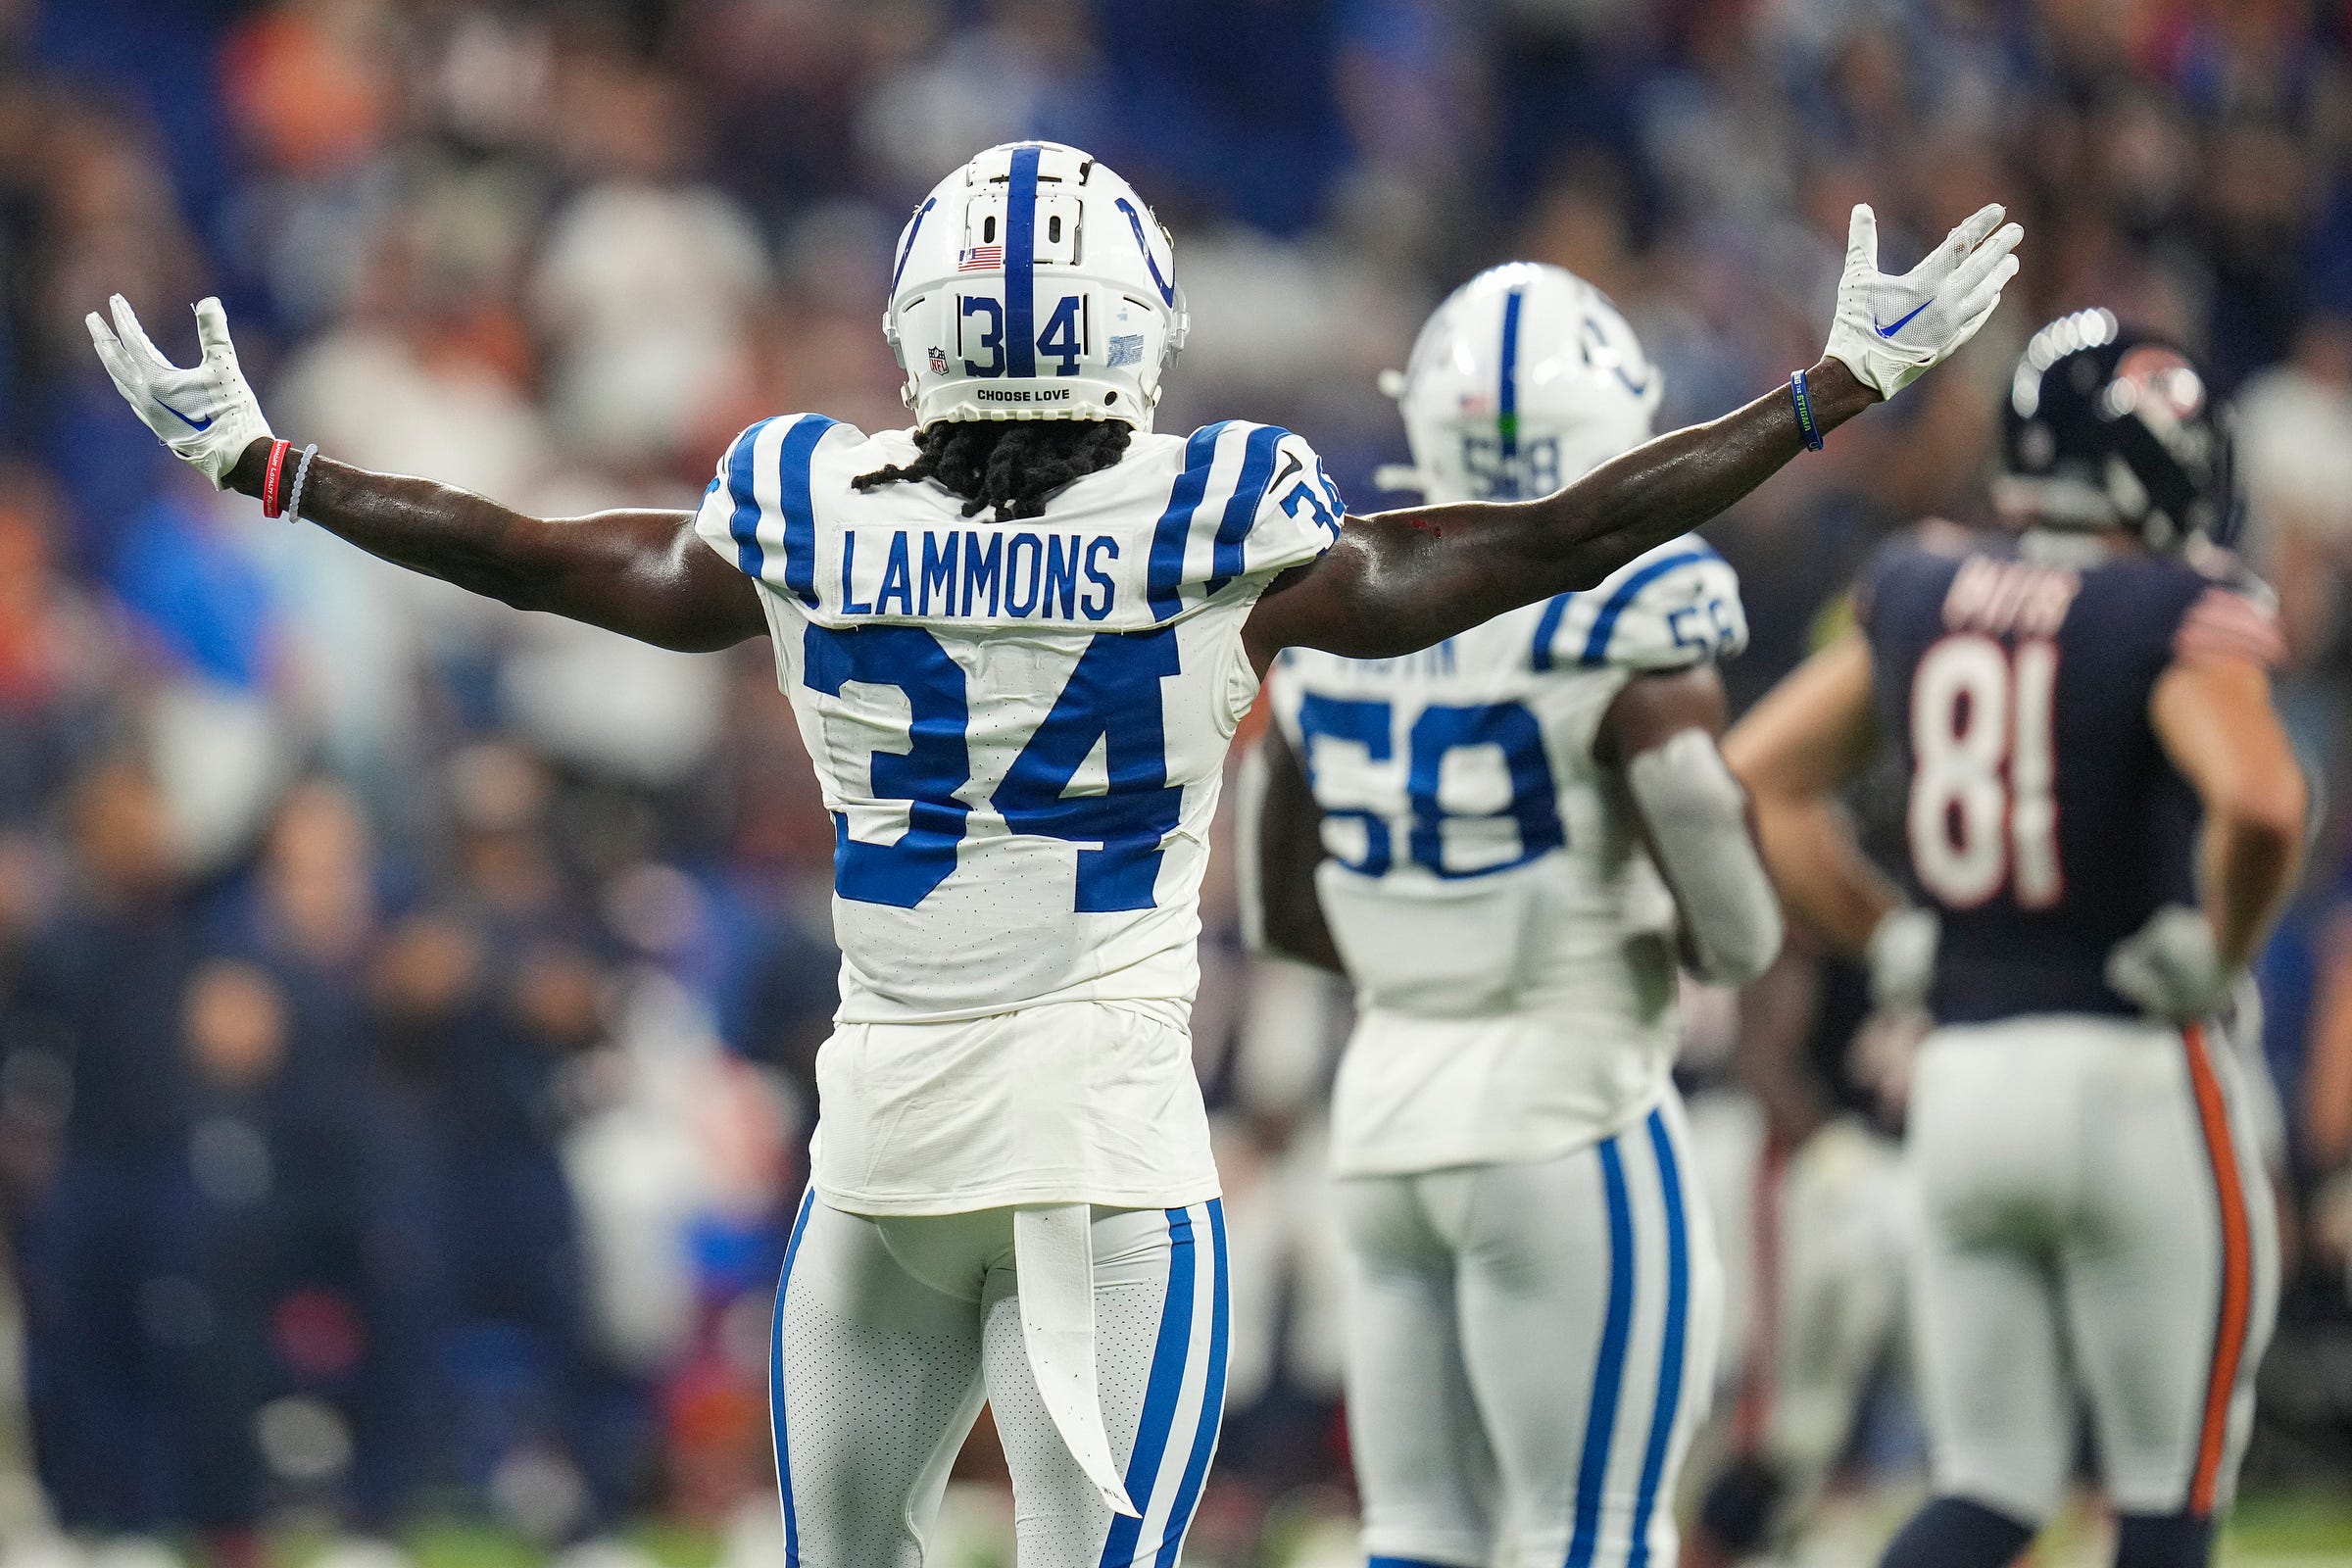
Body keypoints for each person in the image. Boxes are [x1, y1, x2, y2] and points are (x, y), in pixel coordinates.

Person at [85, 141, 2018, 1568]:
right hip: (1100, 1158)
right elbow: (1535, 545)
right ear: (1138, 328)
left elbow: (538, 558)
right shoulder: (1211, 512)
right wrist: (1820, 396)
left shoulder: (816, 498)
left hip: (884, 1156)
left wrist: (282, 469)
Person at [1724, 311, 2301, 1568]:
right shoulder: (2171, 605)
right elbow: (2264, 802)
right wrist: (2222, 946)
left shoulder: (1922, 585)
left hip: (1964, 1079)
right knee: (2165, 1496)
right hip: (2135, 1070)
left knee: (1987, 1490)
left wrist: (1890, 931)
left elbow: (1758, 773)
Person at [1242, 262, 1777, 1568]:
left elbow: (1277, 911)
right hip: (1564, 1098)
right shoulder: (1634, 600)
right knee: (1592, 1532)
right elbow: (1726, 894)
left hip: (1386, 1109)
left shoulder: (1339, 600)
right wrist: (1643, 946)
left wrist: (1417, 954)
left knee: (1418, 1530)